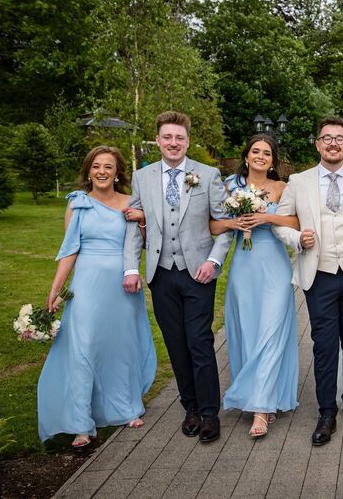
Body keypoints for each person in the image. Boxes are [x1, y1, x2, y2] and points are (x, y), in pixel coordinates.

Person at [122, 111, 233, 444]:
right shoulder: (142, 177)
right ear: (157, 140)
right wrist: (131, 267)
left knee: (199, 341)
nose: (173, 143)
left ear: (187, 140)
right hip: (160, 274)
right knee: (176, 344)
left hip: (198, 272)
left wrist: (213, 261)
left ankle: (210, 413)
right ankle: (191, 408)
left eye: (179, 138)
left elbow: (225, 225)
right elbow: (133, 223)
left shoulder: (209, 175)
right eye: (167, 137)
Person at [273, 116, 343, 446]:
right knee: (323, 346)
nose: (333, 143)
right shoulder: (298, 181)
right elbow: (280, 223)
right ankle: (325, 411)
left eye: (340, 138)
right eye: (327, 138)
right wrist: (297, 239)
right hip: (318, 275)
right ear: (317, 144)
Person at [39, 146, 156, 448]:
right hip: (88, 284)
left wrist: (142, 220)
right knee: (84, 347)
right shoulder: (77, 204)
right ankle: (81, 423)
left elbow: (145, 244)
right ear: (88, 171)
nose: (102, 172)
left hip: (123, 285)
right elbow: (69, 250)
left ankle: (127, 407)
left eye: (108, 166)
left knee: (122, 346)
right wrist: (56, 290)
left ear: (118, 172)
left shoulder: (131, 203)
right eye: (96, 167)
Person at [208, 134, 300, 438]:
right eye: (255, 151)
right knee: (248, 330)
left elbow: (295, 223)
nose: (261, 156)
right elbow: (213, 225)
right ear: (246, 156)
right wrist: (236, 224)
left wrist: (265, 217)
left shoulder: (282, 188)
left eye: (267, 152)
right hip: (244, 268)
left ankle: (261, 408)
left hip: (274, 263)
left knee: (272, 331)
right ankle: (260, 396)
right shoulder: (229, 186)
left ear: (273, 160)